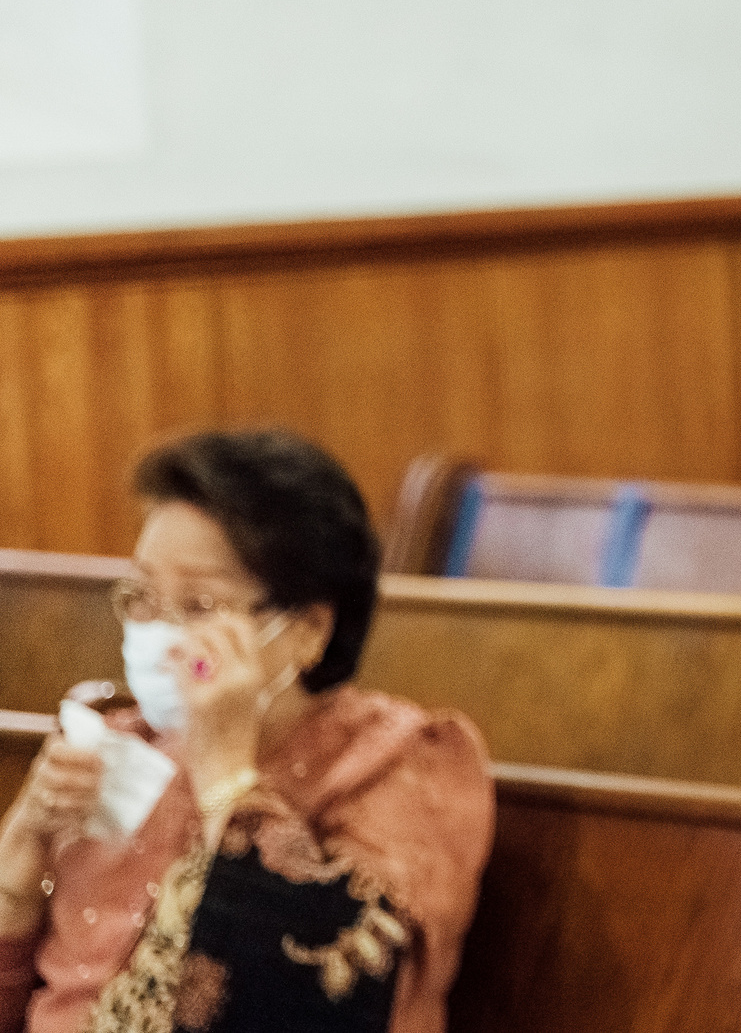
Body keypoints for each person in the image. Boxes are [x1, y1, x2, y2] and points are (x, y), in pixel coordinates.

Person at [0, 430, 493, 1033]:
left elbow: (311, 1005)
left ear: (309, 629)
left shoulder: (403, 764)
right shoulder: (124, 746)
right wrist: (18, 873)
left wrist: (228, 780)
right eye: (145, 599)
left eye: (200, 606)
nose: (160, 634)